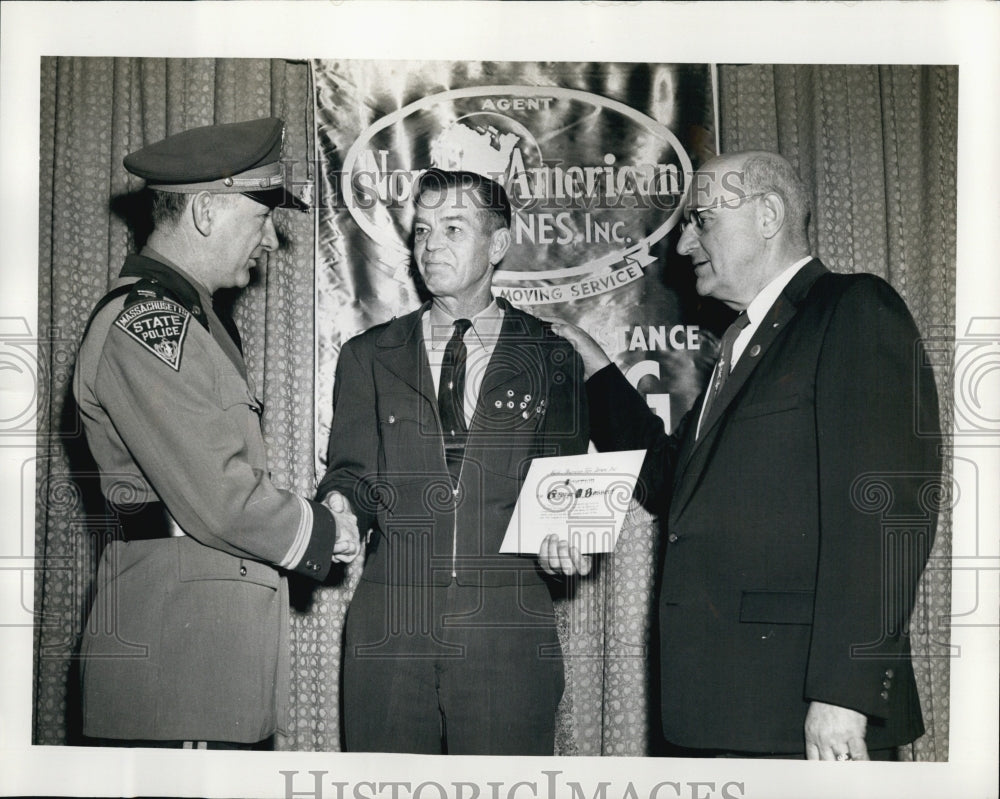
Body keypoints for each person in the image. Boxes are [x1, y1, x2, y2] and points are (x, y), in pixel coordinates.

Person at [541, 150, 942, 760]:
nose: (682, 245)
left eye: (701, 220)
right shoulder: (741, 343)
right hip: (723, 709)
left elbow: (889, 514)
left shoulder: (851, 308)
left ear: (768, 215)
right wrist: (598, 371)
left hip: (805, 712)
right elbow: (670, 480)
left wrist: (843, 695)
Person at [73, 118, 360, 749]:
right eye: (262, 217)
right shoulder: (148, 325)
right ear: (205, 212)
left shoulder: (190, 322)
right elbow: (221, 497)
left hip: (202, 653)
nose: (271, 241)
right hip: (178, 664)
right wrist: (325, 530)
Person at [317, 168, 589, 755]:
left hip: (508, 629)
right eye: (422, 230)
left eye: (453, 228)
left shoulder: (554, 357)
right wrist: (340, 505)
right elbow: (351, 474)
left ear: (498, 244)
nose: (431, 245)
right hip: (390, 626)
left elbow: (563, 487)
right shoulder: (368, 355)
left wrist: (566, 537)